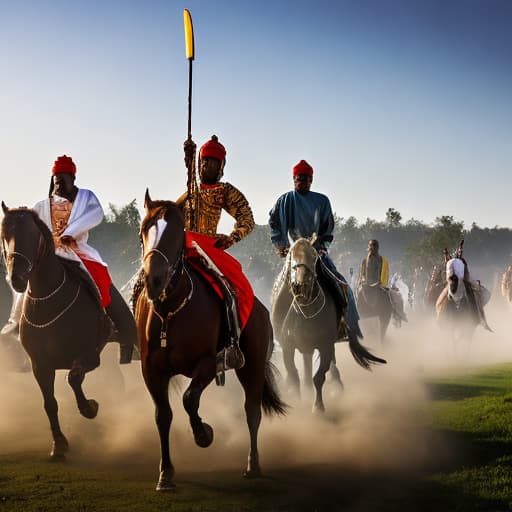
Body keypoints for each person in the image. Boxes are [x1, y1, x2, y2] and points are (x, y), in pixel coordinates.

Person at [5, 155, 136, 364]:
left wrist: (71, 233)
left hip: (78, 253)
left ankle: (117, 326)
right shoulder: (41, 206)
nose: (59, 182)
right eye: (56, 178)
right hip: (48, 257)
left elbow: (95, 215)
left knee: (100, 281)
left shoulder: (85, 198)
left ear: (72, 178)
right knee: (27, 285)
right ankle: (15, 326)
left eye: (63, 178)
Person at [176, 135, 255, 371]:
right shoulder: (190, 191)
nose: (204, 166)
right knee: (147, 277)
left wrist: (232, 237)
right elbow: (173, 212)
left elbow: (247, 219)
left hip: (208, 248)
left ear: (221, 168)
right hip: (183, 245)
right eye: (202, 161)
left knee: (238, 290)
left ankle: (231, 344)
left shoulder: (224, 191)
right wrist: (188, 158)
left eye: (211, 162)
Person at [268, 159, 361, 339]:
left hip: (316, 254)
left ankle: (348, 327)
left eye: (306, 178)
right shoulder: (284, 200)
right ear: (293, 179)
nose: (302, 181)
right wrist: (279, 244)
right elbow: (273, 223)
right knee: (276, 290)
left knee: (342, 285)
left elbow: (328, 227)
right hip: (293, 257)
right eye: (299, 178)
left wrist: (323, 246)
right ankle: (275, 332)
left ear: (312, 180)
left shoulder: (322, 201)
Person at [358, 239, 407, 325]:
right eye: (370, 246)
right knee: (357, 295)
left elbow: (385, 274)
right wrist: (363, 281)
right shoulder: (364, 261)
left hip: (380, 285)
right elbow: (362, 274)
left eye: (374, 246)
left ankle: (397, 316)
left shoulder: (383, 260)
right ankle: (356, 316)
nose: (372, 248)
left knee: (395, 297)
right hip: (366, 286)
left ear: (377, 248)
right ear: (368, 248)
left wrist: (381, 283)